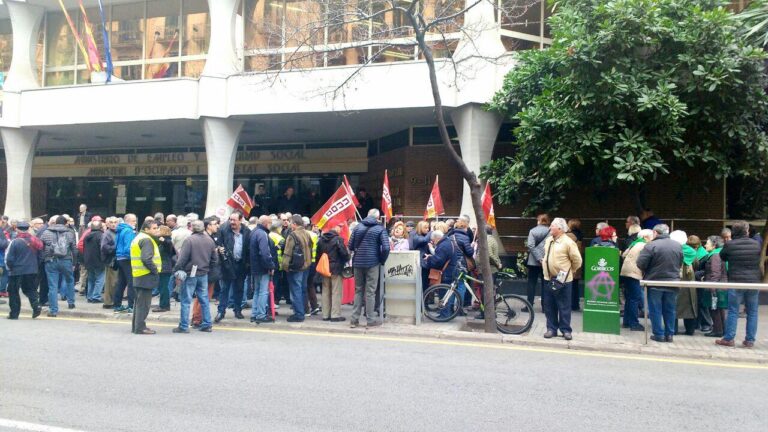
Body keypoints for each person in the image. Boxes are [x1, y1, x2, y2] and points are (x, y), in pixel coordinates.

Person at [717, 221, 761, 348]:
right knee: (752, 312)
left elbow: (722, 257)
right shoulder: (756, 244)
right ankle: (750, 340)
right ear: (746, 231)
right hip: (753, 283)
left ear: (734, 232)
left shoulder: (730, 245)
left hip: (736, 281)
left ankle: (729, 338)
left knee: (733, 311)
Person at [636, 224, 682, 343]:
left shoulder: (651, 245)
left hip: (654, 282)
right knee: (670, 309)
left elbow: (641, 263)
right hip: (673, 282)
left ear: (655, 233)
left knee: (655, 310)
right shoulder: (677, 245)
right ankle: (669, 335)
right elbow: (680, 262)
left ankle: (659, 334)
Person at [172, 220, 218, 333]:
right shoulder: (209, 240)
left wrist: (176, 269)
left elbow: (182, 259)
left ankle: (183, 326)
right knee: (204, 299)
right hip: (203, 273)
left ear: (192, 228)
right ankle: (207, 324)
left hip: (190, 273)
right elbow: (214, 259)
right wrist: (207, 267)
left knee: (186, 300)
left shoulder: (190, 240)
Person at [541, 218, 582, 340]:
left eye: (552, 226)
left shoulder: (568, 242)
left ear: (559, 229)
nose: (549, 228)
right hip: (548, 278)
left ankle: (565, 330)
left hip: (563, 280)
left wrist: (571, 271)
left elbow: (577, 260)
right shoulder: (548, 240)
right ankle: (551, 329)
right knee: (549, 305)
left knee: (564, 306)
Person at [349, 209, 390, 328]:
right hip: (373, 262)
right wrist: (381, 260)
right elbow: (386, 248)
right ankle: (370, 319)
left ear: (367, 215)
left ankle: (354, 319)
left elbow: (350, 245)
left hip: (357, 263)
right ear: (378, 217)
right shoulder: (380, 228)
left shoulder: (357, 227)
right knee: (370, 292)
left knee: (358, 290)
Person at [215, 212, 251, 322]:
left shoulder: (247, 232)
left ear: (240, 220)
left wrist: (248, 264)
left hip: (241, 264)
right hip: (227, 264)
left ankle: (238, 310)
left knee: (239, 289)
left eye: (234, 220)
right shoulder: (223, 230)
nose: (232, 222)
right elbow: (218, 245)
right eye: (230, 219)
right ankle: (221, 311)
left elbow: (249, 249)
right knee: (224, 289)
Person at [40, 216, 78, 317]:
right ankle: (71, 302)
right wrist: (74, 263)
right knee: (70, 280)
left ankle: (53, 310)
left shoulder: (46, 232)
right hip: (66, 260)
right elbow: (74, 248)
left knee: (53, 286)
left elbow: (40, 246)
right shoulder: (70, 233)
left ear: (55, 222)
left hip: (51, 260)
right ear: (65, 223)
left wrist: (44, 258)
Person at [5, 221, 43, 320]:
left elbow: (9, 258)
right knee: (30, 290)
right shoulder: (35, 240)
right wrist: (36, 267)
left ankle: (14, 313)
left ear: (17, 229)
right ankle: (36, 306)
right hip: (32, 270)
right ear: (28, 229)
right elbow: (40, 256)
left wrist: (10, 267)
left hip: (16, 270)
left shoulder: (15, 242)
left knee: (13, 292)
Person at [129, 220, 161, 335]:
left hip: (139, 274)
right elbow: (146, 258)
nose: (156, 230)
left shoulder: (139, 237)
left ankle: (136, 326)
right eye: (154, 228)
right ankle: (140, 328)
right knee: (144, 304)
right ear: (146, 229)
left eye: (157, 228)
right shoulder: (147, 240)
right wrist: (155, 270)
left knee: (139, 303)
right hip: (145, 275)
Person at [281, 214, 313, 322]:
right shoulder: (307, 234)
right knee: (302, 289)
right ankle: (303, 310)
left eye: (290, 223)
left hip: (296, 268)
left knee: (295, 290)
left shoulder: (292, 235)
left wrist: (285, 266)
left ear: (294, 224)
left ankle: (298, 314)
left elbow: (287, 253)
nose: (289, 225)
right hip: (306, 266)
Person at [620, 229, 653, 331]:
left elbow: (623, 255)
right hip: (634, 273)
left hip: (626, 272)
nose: (652, 239)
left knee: (629, 298)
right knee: (635, 298)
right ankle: (634, 324)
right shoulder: (644, 245)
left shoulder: (634, 243)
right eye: (651, 237)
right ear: (645, 237)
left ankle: (626, 321)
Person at [317, 223, 351, 322]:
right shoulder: (338, 240)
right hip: (336, 269)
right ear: (334, 227)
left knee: (325, 291)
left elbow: (318, 256)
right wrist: (347, 257)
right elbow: (344, 254)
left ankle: (325, 315)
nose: (340, 229)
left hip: (325, 268)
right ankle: (335, 315)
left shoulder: (321, 240)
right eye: (339, 227)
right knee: (336, 292)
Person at [191, 217, 221, 328]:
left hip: (205, 270)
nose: (217, 226)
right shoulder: (207, 238)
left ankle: (197, 318)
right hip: (206, 271)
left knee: (202, 296)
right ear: (208, 225)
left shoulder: (210, 237)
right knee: (204, 296)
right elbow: (211, 257)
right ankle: (197, 319)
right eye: (215, 224)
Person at [695, 236, 727, 338]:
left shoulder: (715, 255)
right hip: (720, 286)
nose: (705, 245)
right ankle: (722, 329)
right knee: (719, 308)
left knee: (715, 308)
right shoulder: (720, 253)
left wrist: (712, 287)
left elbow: (715, 273)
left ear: (714, 245)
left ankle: (717, 330)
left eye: (707, 243)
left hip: (715, 287)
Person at [423, 230, 459, 317]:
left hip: (446, 273)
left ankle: (444, 314)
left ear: (437, 238)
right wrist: (432, 257)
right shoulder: (448, 242)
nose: (433, 242)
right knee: (448, 293)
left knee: (444, 294)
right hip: (451, 270)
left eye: (433, 240)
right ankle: (447, 313)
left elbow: (438, 261)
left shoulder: (443, 246)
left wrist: (428, 259)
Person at [249, 216, 276, 324]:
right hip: (263, 267)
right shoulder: (262, 234)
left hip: (255, 266)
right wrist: (270, 266)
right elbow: (265, 253)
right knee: (263, 292)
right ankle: (261, 315)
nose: (271, 224)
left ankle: (254, 314)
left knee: (257, 291)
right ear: (266, 223)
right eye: (270, 222)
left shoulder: (254, 232)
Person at [671, 230, 698, 336]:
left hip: (675, 280)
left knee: (674, 307)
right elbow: (696, 264)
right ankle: (690, 330)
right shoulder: (691, 251)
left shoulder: (672, 250)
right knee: (690, 307)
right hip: (689, 282)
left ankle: (673, 330)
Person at [113, 214, 137, 313]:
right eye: (134, 221)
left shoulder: (120, 229)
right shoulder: (129, 231)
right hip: (127, 258)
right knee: (131, 282)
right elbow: (129, 247)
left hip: (120, 257)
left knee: (121, 282)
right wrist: (133, 257)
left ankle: (117, 305)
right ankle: (131, 306)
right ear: (128, 221)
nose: (135, 223)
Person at [525, 214, 550, 307]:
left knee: (531, 283)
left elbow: (530, 245)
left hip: (533, 261)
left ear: (539, 221)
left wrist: (538, 258)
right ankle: (545, 306)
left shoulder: (533, 231)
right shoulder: (551, 231)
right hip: (546, 260)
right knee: (545, 283)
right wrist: (542, 258)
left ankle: (529, 305)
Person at [151, 224, 175, 312]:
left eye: (158, 230)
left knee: (163, 287)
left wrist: (163, 240)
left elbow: (168, 244)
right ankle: (163, 304)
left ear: (163, 232)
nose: (157, 231)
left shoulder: (167, 241)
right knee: (162, 287)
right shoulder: (163, 241)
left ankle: (164, 306)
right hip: (164, 267)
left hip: (165, 268)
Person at [83, 220, 105, 304]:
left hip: (88, 261)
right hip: (99, 260)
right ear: (100, 227)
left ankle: (90, 296)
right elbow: (102, 249)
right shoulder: (101, 236)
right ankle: (96, 297)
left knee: (91, 279)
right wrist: (104, 259)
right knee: (100, 279)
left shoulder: (87, 236)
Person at [268, 219, 287, 310]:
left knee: (269, 284)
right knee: (275, 284)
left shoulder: (267, 235)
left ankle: (270, 302)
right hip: (278, 264)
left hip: (268, 263)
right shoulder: (281, 238)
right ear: (278, 228)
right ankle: (273, 302)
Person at [99, 217, 118, 309]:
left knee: (114, 282)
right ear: (108, 224)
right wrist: (116, 248)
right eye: (111, 222)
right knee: (111, 283)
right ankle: (108, 302)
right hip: (111, 261)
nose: (113, 224)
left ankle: (111, 301)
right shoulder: (107, 234)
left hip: (115, 260)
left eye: (115, 222)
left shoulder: (116, 233)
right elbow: (104, 247)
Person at [566, 219, 584, 311]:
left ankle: (569, 304)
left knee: (568, 284)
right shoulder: (580, 234)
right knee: (575, 285)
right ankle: (575, 304)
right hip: (577, 261)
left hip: (570, 262)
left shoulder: (569, 236)